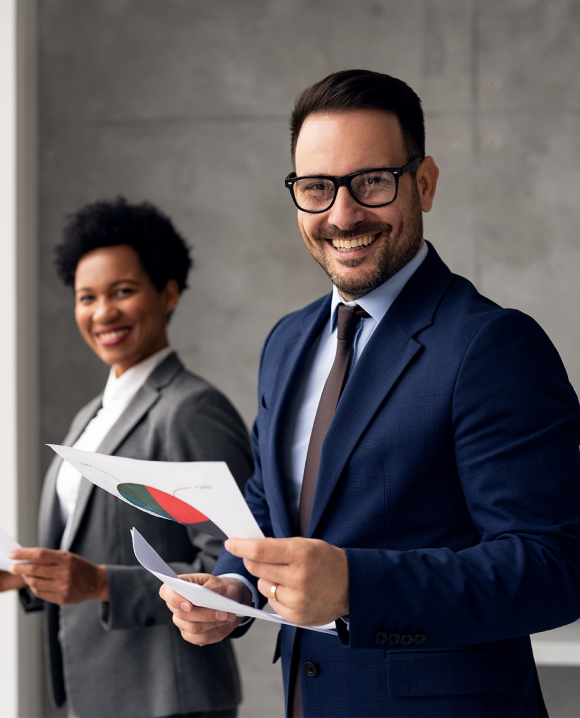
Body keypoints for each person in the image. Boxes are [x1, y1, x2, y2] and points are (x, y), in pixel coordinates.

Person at [160, 69, 580, 717]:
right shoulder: (288, 341)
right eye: (317, 188)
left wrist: (357, 585)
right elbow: (272, 506)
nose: (343, 214)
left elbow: (556, 567)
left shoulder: (492, 346)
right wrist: (233, 589)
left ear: (426, 183)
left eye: (372, 182)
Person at [0, 197, 252, 718]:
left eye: (123, 291)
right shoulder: (93, 416)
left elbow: (233, 565)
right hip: (99, 696)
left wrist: (99, 582)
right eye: (86, 297)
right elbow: (85, 547)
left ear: (168, 293)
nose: (102, 312)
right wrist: (24, 574)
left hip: (170, 701)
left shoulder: (190, 410)